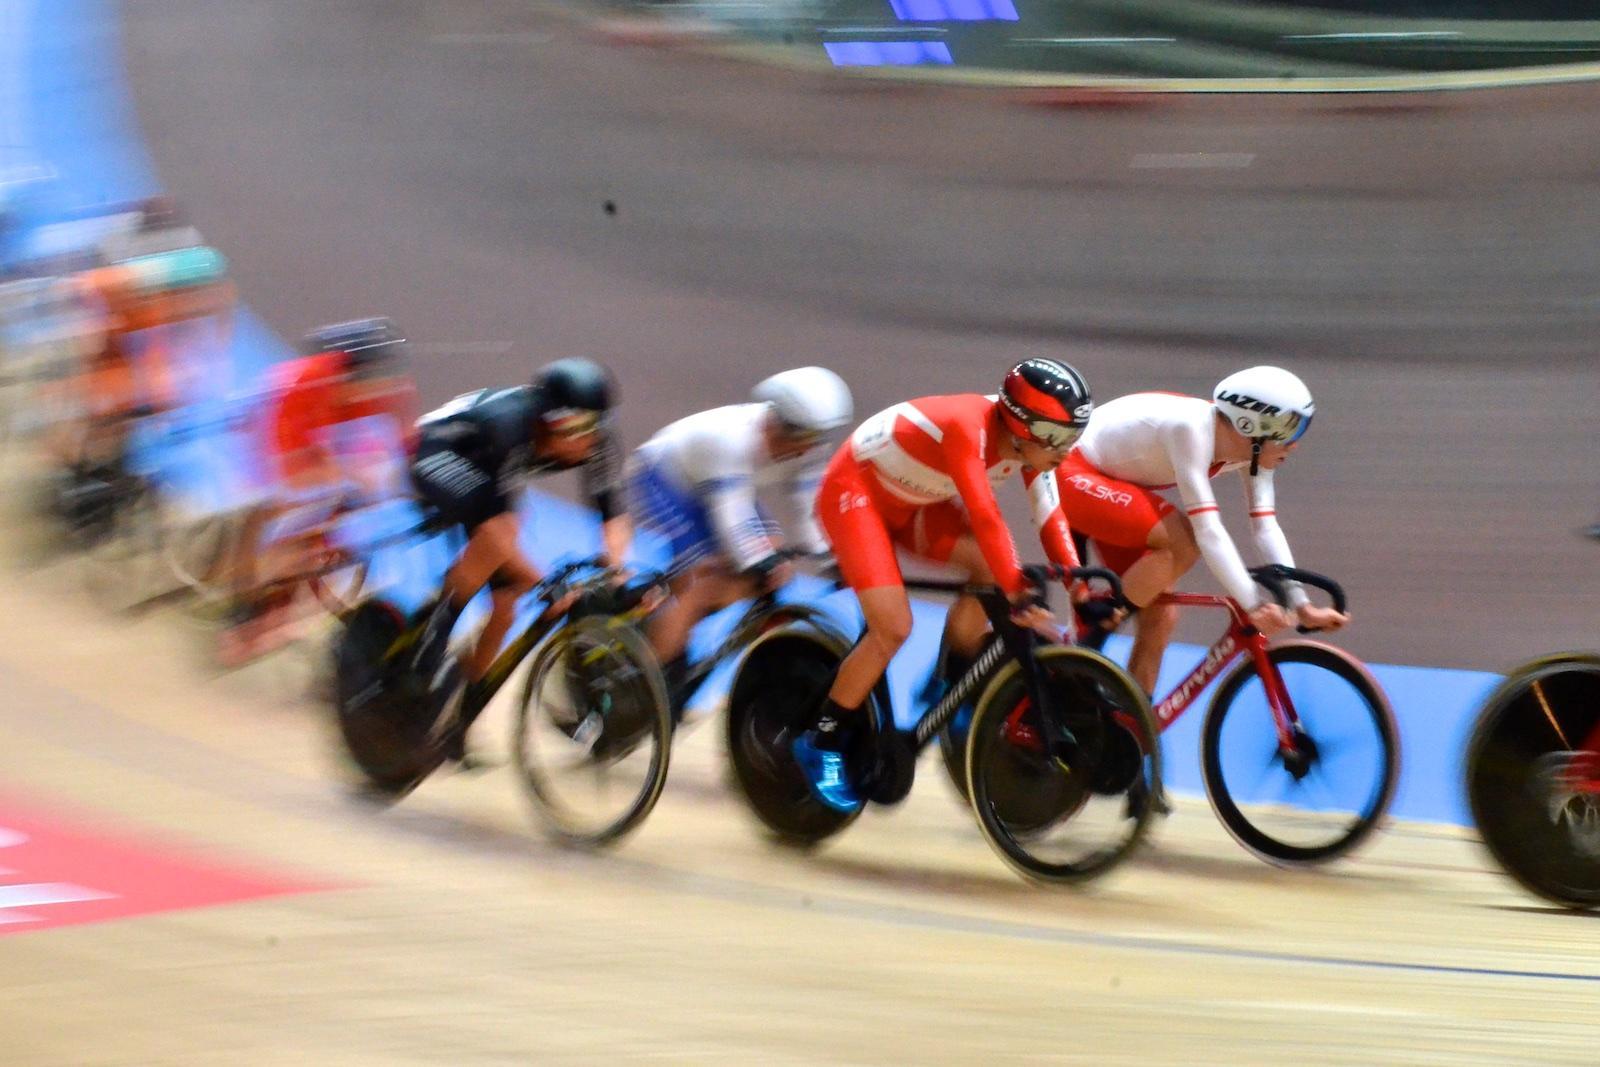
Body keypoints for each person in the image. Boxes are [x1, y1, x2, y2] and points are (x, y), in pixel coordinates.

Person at [792, 358, 1093, 812]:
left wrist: (1078, 584)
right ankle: (820, 740)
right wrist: (1017, 592)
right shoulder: (965, 426)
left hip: (914, 501)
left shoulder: (1031, 445)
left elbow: (1051, 518)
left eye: (1074, 436)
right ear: (1022, 426)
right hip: (855, 494)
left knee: (991, 571)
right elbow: (988, 518)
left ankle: (946, 681)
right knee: (892, 627)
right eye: (1058, 437)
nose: (1067, 450)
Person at [1053, 366, 1348, 697]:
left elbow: (1265, 527)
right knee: (1182, 541)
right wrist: (1251, 603)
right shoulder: (1191, 430)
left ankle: (1130, 734)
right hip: (1072, 469)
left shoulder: (1253, 452)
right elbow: (1208, 531)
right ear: (1250, 426)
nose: (1294, 445)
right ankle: (1090, 637)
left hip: (1111, 482)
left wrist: (1301, 604)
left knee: (1161, 615)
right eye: (1289, 430)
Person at [406, 358, 630, 759]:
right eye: (577, 428)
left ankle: (459, 722)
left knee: (507, 605)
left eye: (595, 426)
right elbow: (496, 529)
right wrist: (544, 582)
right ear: (547, 421)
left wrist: (615, 573)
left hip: (489, 476)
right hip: (438, 453)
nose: (588, 440)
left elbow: (613, 516)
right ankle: (428, 644)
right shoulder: (508, 428)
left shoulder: (594, 441)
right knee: (498, 541)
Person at [630, 367, 852, 713]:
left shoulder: (809, 448)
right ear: (778, 423)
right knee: (703, 572)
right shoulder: (732, 441)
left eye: (818, 438)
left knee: (774, 558)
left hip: (720, 487)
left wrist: (829, 556)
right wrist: (755, 562)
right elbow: (731, 516)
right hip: (666, 477)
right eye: (804, 437)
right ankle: (648, 677)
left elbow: (809, 509)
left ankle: (667, 619)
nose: (809, 448)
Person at [220, 318, 416, 664]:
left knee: (341, 490)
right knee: (291, 499)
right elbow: (294, 460)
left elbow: (399, 441)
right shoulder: (308, 383)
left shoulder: (384, 387)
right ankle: (248, 596)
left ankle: (291, 565)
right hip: (271, 422)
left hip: (313, 429)